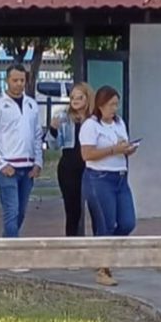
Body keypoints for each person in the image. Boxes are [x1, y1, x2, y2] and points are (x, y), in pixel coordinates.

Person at [80, 85, 137, 286]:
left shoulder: (119, 123)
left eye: (116, 105)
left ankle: (103, 255)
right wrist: (113, 150)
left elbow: (122, 146)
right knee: (106, 223)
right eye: (111, 105)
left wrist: (128, 149)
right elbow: (87, 154)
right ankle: (103, 268)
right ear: (101, 105)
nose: (114, 109)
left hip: (120, 177)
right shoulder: (91, 125)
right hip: (100, 178)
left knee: (128, 222)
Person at [0, 64, 43, 238]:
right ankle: (11, 249)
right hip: (7, 168)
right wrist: (1, 165)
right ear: (7, 80)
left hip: (28, 167)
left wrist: (38, 162)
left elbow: (37, 135)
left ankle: (7, 243)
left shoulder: (31, 104)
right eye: (15, 80)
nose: (19, 84)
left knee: (21, 212)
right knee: (12, 210)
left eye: (22, 80)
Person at [49, 82, 93, 236]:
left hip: (90, 166)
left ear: (88, 98)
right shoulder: (64, 117)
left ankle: (99, 241)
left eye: (79, 97)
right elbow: (54, 146)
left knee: (96, 208)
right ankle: (72, 241)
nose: (75, 101)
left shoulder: (94, 119)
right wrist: (53, 130)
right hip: (68, 168)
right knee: (73, 211)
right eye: (72, 97)